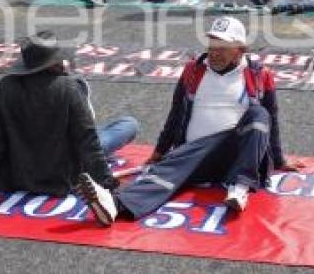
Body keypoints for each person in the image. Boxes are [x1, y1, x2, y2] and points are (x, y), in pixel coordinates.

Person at [75, 17, 300, 226]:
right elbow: (175, 114)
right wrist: (160, 151)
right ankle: (115, 205)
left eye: (222, 49)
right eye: (211, 48)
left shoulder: (259, 75)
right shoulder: (193, 70)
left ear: (240, 50)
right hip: (196, 156)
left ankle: (239, 188)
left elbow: (272, 120)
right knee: (166, 169)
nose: (214, 54)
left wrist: (278, 159)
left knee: (259, 115)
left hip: (238, 159)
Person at [0, 32, 135, 199]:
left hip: (18, 175)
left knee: (107, 131)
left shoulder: (3, 87)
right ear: (53, 63)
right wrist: (109, 183)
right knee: (128, 125)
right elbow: (88, 141)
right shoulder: (68, 88)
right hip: (61, 175)